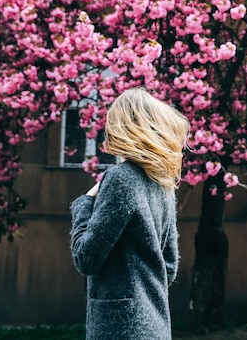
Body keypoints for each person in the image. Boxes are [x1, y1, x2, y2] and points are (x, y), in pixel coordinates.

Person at [70, 87, 189, 340]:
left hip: (121, 328)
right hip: (155, 325)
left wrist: (84, 203)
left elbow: (86, 258)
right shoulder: (162, 183)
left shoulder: (121, 178)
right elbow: (169, 266)